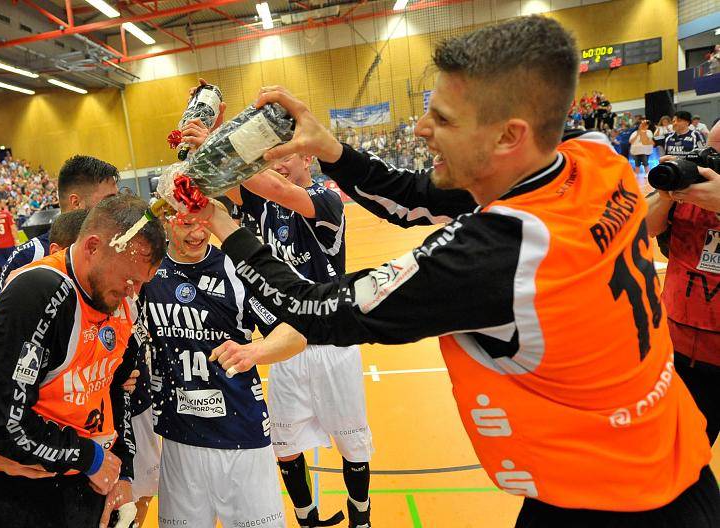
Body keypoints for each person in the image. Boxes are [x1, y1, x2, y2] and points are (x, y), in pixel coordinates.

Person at [203, 15, 719, 526]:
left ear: (508, 137)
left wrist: (222, 224)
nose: (422, 129)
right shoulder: (592, 156)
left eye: (445, 119)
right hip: (664, 460)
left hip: (610, 505)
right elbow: (412, 196)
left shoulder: (497, 256)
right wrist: (330, 149)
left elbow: (311, 309)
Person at [0, 194, 166, 528]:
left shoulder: (119, 298)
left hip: (90, 479)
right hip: (30, 493)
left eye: (141, 283)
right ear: (92, 247)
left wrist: (123, 472)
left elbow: (117, 389)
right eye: (130, 279)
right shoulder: (38, 291)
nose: (133, 292)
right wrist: (90, 457)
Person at [228, 157, 375, 527]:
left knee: (353, 444)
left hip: (332, 344)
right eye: (270, 156)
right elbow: (229, 186)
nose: (276, 163)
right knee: (285, 447)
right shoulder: (261, 203)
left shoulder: (327, 200)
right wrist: (208, 147)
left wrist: (230, 154)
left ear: (307, 156)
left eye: (285, 154)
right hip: (283, 347)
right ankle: (307, 518)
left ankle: (361, 517)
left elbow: (277, 188)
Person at [136, 211, 302, 528]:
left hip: (242, 437)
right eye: (187, 224)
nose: (198, 233)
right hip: (179, 440)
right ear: (167, 220)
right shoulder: (147, 271)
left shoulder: (236, 270)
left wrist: (255, 350)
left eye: (204, 223)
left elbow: (296, 331)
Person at [645, 121, 720, 447]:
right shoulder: (691, 191)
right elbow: (644, 227)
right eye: (711, 154)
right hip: (682, 349)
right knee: (682, 453)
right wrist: (669, 193)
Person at [0, 155, 119, 293]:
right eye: (109, 200)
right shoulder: (29, 256)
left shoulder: (119, 244)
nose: (117, 207)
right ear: (76, 203)